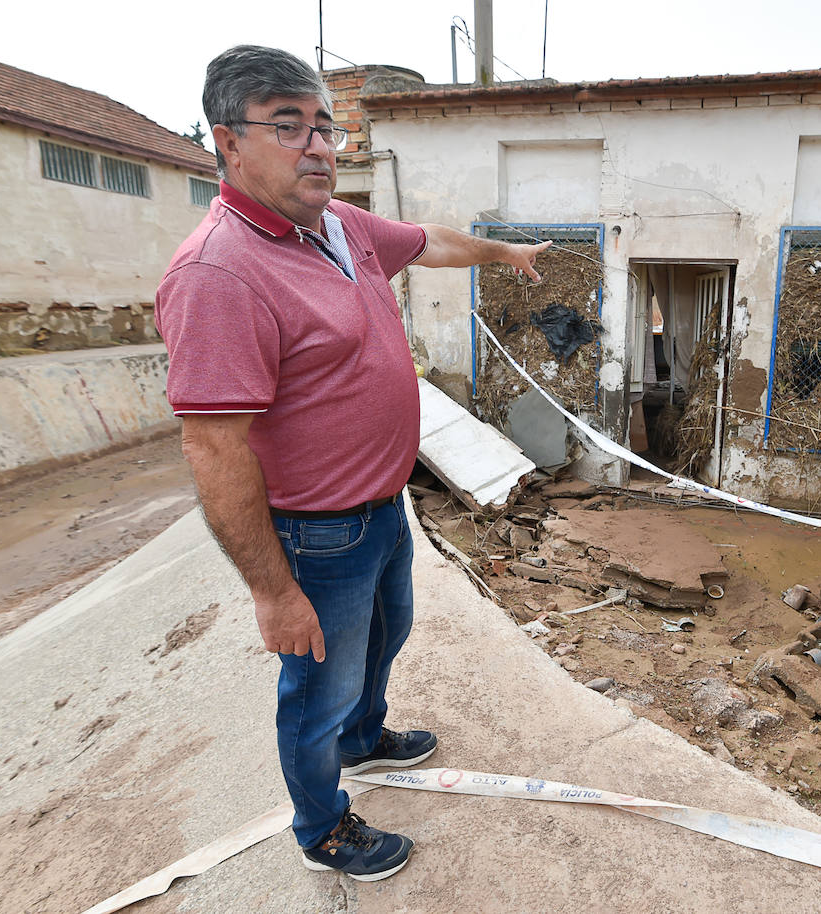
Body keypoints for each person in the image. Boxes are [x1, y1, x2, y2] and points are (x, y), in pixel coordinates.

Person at [155, 45, 549, 882]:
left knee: (389, 632)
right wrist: (272, 589)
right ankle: (322, 829)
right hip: (313, 534)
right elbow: (213, 446)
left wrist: (502, 255)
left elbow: (430, 243)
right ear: (228, 143)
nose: (319, 146)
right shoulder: (219, 274)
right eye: (288, 126)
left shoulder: (335, 225)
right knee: (315, 695)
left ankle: (366, 740)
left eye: (326, 127)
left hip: (382, 507)